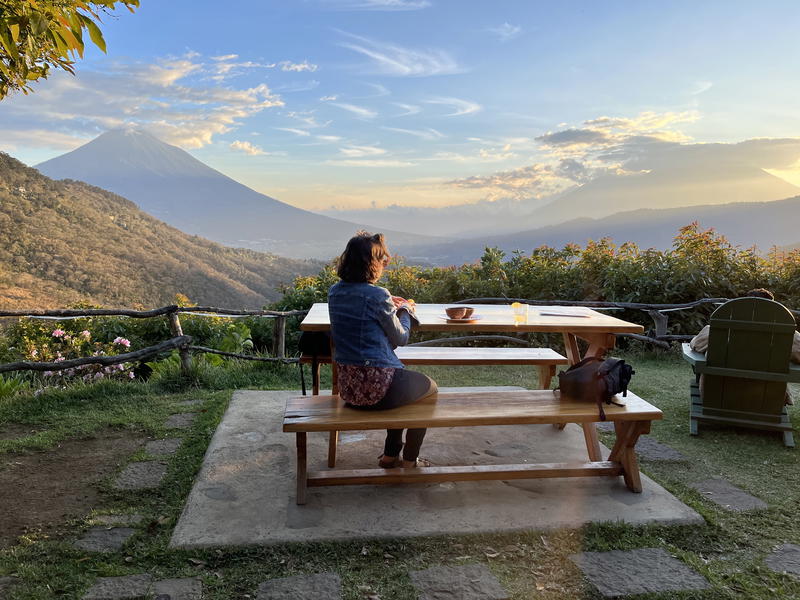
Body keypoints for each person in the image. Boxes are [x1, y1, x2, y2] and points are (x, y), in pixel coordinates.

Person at [328, 231, 437, 468]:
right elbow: (401, 338)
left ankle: (390, 456)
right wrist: (406, 309)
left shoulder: (335, 292)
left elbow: (362, 307)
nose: (384, 264)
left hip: (349, 389)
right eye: (382, 260)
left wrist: (390, 304)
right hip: (376, 388)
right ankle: (410, 459)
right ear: (372, 263)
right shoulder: (377, 295)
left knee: (404, 383)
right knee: (429, 391)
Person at [690, 288, 800, 403]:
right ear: (773, 310)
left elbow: (695, 344)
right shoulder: (789, 336)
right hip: (766, 403)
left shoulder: (717, 331)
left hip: (719, 399)